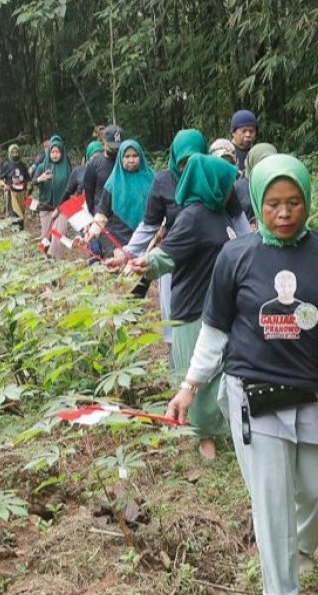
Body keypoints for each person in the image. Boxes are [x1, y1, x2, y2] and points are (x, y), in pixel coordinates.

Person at [166, 154, 318, 595]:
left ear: (307, 201)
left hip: (313, 393)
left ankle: (301, 548)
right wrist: (189, 387)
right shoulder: (237, 257)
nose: (284, 213)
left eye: (293, 203)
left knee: (314, 484)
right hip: (253, 394)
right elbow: (214, 332)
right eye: (272, 204)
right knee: (271, 499)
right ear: (258, 203)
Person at [129, 154, 239, 460]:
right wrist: (144, 262)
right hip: (194, 306)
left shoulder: (219, 213)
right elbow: (167, 253)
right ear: (212, 183)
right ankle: (204, 436)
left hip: (219, 305)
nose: (234, 188)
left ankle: (221, 426)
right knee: (198, 374)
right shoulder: (194, 215)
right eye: (229, 182)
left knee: (220, 369)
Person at [111, 129, 208, 356]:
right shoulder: (163, 182)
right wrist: (127, 253)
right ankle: (177, 363)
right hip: (171, 258)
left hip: (207, 258)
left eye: (195, 160)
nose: (188, 168)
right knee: (174, 317)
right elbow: (149, 225)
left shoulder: (211, 178)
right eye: (183, 162)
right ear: (175, 159)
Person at [89, 139, 154, 257]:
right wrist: (93, 232)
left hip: (147, 240)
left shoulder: (153, 180)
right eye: (127, 156)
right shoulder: (112, 184)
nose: (131, 160)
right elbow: (102, 213)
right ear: (120, 158)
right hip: (118, 241)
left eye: (135, 156)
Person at [34, 138, 71, 257]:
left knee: (59, 233)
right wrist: (40, 179)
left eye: (57, 152)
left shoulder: (67, 167)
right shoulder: (41, 167)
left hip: (62, 207)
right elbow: (31, 183)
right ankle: (45, 258)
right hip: (46, 206)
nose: (55, 155)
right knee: (46, 236)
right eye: (52, 152)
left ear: (62, 153)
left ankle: (55, 259)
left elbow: (72, 185)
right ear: (49, 153)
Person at [83, 125, 121, 215]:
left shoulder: (124, 162)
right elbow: (89, 191)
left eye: (117, 147)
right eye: (112, 147)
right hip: (101, 213)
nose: (115, 150)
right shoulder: (94, 164)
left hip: (121, 214)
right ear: (104, 143)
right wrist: (92, 212)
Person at [236, 143, 278, 224]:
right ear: (252, 161)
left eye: (271, 161)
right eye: (262, 162)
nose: (267, 166)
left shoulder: (282, 184)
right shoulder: (238, 188)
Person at [0, 145, 29, 229]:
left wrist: (27, 189)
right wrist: (4, 186)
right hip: (11, 193)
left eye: (16, 152)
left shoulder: (22, 165)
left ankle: (21, 232)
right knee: (13, 214)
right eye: (13, 152)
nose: (15, 154)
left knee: (21, 214)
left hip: (21, 193)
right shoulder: (7, 165)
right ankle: (14, 232)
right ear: (9, 153)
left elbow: (27, 179)